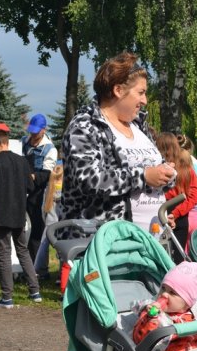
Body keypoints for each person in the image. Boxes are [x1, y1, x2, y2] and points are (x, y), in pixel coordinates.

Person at [60, 51, 176, 231]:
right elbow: (89, 179)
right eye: (141, 93)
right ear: (118, 90)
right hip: (100, 238)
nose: (145, 100)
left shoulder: (138, 126)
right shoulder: (85, 126)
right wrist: (143, 176)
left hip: (149, 237)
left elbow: (151, 176)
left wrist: (166, 174)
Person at [0, 129, 41, 308]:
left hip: (1, 214)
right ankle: (35, 291)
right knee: (23, 251)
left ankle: (7, 297)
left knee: (4, 254)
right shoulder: (22, 161)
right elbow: (31, 186)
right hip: (19, 214)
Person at [21, 114, 58, 270]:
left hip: (39, 193)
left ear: (44, 130)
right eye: (32, 130)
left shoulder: (50, 149)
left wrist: (31, 176)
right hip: (22, 190)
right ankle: (25, 267)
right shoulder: (24, 142)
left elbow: (46, 175)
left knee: (37, 230)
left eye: (36, 131)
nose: (33, 134)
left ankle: (38, 268)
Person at [155, 133, 197, 258]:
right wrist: (176, 214)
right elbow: (194, 197)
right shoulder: (187, 169)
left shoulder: (157, 169)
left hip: (161, 214)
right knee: (178, 260)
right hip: (180, 217)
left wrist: (173, 213)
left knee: (159, 258)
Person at [33, 163, 63, 281]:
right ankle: (62, 275)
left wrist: (45, 221)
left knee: (43, 247)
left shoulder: (49, 189)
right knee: (62, 249)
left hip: (50, 223)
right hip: (63, 223)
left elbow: (43, 209)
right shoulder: (66, 190)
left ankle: (40, 271)